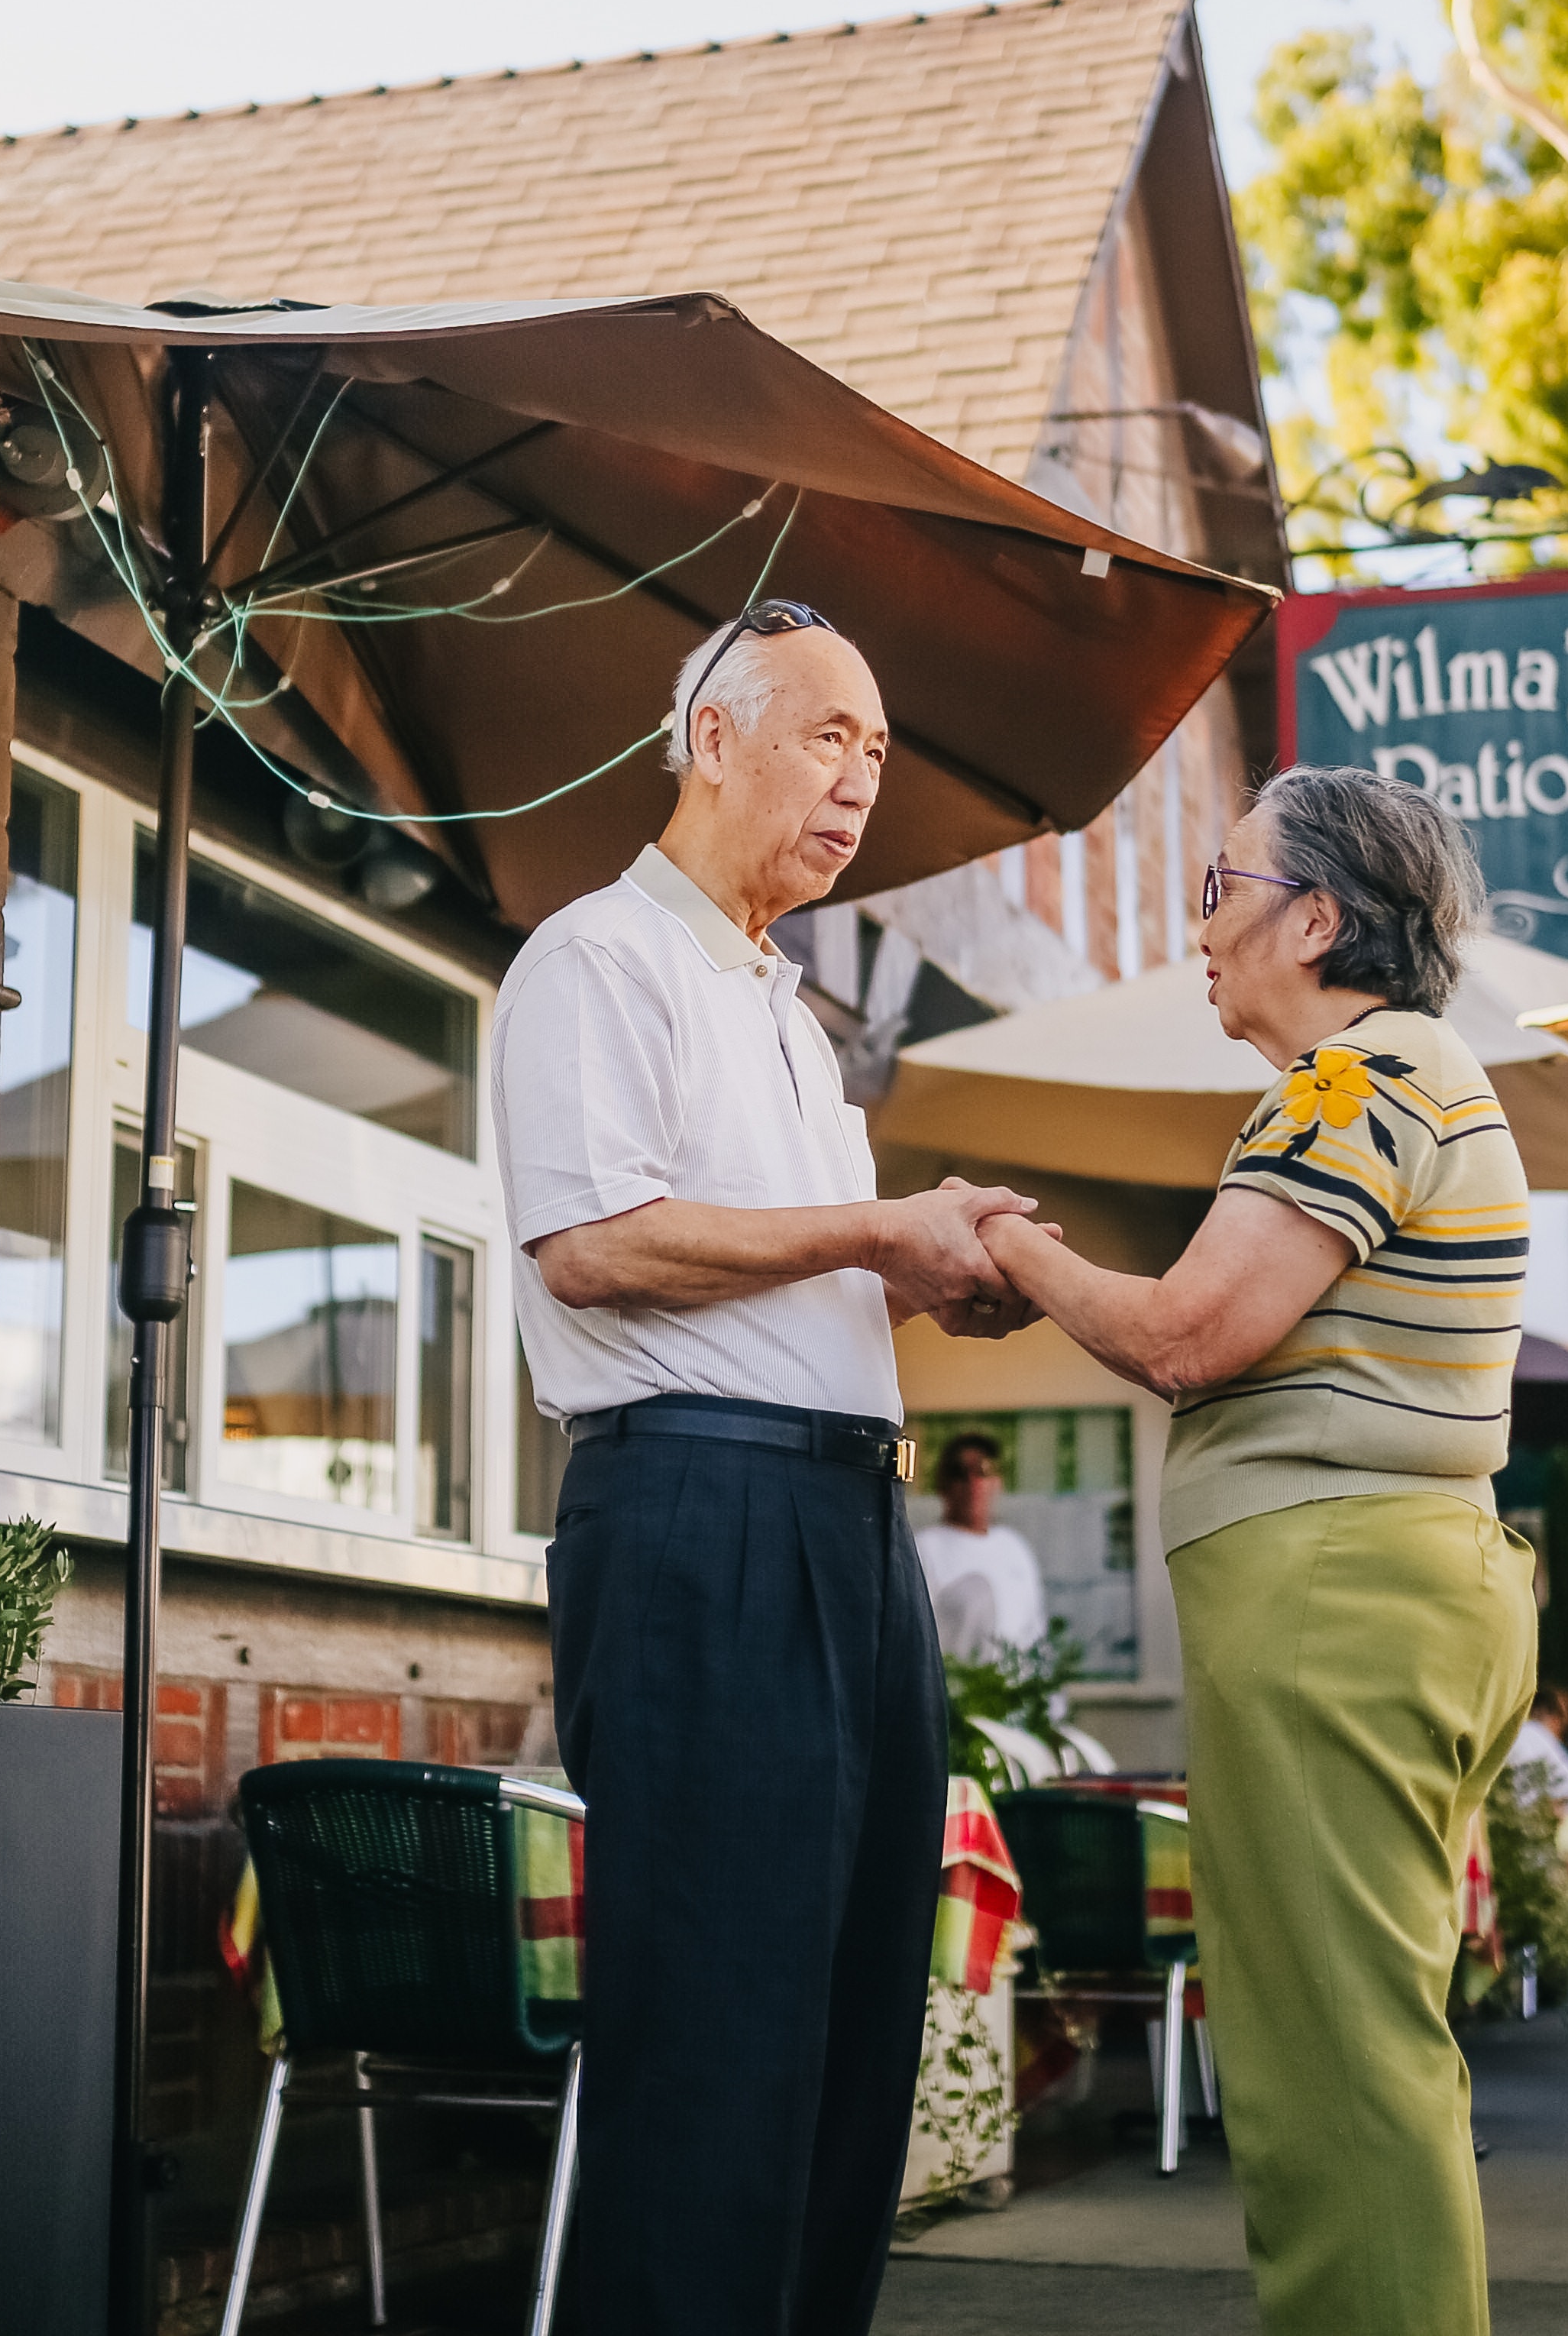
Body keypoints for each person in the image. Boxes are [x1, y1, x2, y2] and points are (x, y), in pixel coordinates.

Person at [490, 597, 1035, 2336]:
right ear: (708, 738)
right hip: (698, 1519)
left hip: (848, 1527)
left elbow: (797, 1277)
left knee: (852, 2033)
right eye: (825, 734)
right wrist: (872, 1224)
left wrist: (929, 1269)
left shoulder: (793, 1014)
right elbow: (588, 1242)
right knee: (717, 2032)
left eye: (875, 750)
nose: (860, 780)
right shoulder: (595, 959)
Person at [973, 765, 1531, 2336]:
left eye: (1218, 890)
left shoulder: (1359, 1083)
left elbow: (1189, 1335)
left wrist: (1008, 1242)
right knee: (1347, 2051)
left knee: (1329, 2072)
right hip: (1383, 1592)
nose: (1197, 929)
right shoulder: (1400, 1080)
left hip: (1338, 1603)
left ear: (1320, 917)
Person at [913, 1430, 1048, 1665]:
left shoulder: (1014, 1547)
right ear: (943, 1484)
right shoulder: (924, 1549)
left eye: (983, 1471)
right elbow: (917, 1640)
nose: (973, 1483)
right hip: (960, 1696)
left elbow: (1036, 1632)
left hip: (1019, 1698)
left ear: (998, 1482)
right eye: (960, 1473)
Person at [1504, 1683, 1568, 1817]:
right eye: (1562, 1717)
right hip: (1530, 1822)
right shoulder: (1539, 1735)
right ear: (1547, 1712)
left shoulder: (1514, 1732)